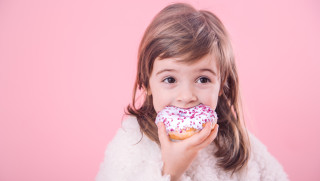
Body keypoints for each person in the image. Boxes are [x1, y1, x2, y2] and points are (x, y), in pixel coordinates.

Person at [95, 2, 289, 181]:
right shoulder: (131, 143)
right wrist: (171, 171)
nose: (187, 96)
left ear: (221, 85)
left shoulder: (238, 143)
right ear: (146, 84)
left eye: (203, 79)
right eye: (170, 79)